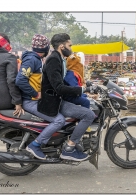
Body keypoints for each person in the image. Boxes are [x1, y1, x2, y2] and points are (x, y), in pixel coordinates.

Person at [37, 33, 96, 161]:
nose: (71, 48)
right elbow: (58, 87)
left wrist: (83, 88)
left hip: (58, 99)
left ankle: (74, 139)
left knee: (84, 104)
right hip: (54, 102)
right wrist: (81, 89)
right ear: (62, 46)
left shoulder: (59, 58)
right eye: (70, 45)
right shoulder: (54, 59)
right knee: (89, 115)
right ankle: (69, 148)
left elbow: (61, 83)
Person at [16, 34, 66, 160]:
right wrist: (35, 93)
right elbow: (20, 80)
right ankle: (36, 145)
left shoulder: (36, 60)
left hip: (35, 100)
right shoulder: (32, 60)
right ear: (45, 48)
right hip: (30, 101)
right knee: (59, 120)